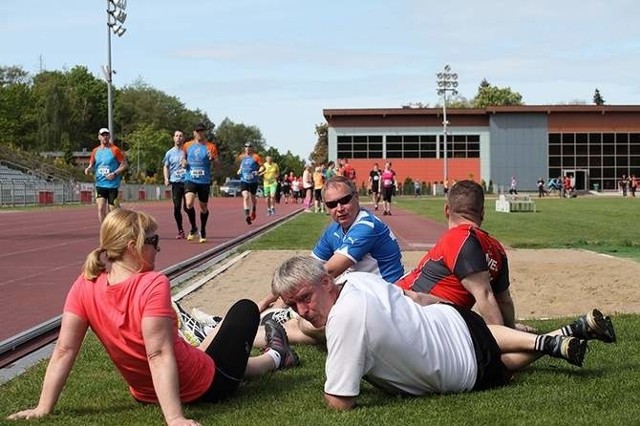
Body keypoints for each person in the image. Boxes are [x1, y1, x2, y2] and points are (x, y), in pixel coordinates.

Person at [7, 209, 299, 425]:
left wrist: (43, 406)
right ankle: (277, 356)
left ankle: (265, 346)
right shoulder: (152, 283)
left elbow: (64, 350)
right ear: (133, 245)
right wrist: (174, 418)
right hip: (207, 385)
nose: (158, 247)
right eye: (153, 240)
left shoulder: (85, 283)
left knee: (205, 347)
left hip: (145, 392)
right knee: (245, 310)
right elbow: (157, 354)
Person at [271, 255, 616, 410]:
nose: (302, 310)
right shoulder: (358, 279)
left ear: (326, 282)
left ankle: (557, 336)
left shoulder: (343, 321)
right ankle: (561, 334)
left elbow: (339, 401)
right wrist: (447, 307)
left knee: (506, 366)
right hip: (450, 318)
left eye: (305, 298)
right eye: (293, 305)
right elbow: (414, 297)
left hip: (457, 368)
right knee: (488, 336)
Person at [396, 180, 517, 328]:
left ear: (447, 210)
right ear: (482, 213)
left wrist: (503, 340)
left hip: (408, 313)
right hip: (427, 314)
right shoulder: (497, 249)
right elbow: (504, 301)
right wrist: (511, 332)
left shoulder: (458, 237)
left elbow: (484, 295)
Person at [183, 122, 219, 243]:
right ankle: (193, 227)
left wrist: (212, 159)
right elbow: (183, 158)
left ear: (204, 132)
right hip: (190, 178)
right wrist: (183, 163)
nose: (199, 133)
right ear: (194, 133)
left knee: (203, 207)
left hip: (204, 181)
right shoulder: (187, 145)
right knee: (188, 204)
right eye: (197, 131)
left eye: (202, 131)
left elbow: (218, 165)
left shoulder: (211, 147)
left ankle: (203, 229)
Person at [84, 127, 127, 223]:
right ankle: (104, 231)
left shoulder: (115, 150)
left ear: (110, 136)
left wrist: (114, 173)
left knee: (113, 211)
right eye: (103, 135)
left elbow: (124, 165)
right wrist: (88, 169)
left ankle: (120, 225)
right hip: (100, 184)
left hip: (112, 185)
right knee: (100, 208)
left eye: (107, 135)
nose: (105, 137)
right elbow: (91, 164)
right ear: (99, 137)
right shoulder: (95, 151)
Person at [163, 130, 188, 239]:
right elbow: (166, 166)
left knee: (188, 207)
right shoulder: (169, 153)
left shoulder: (187, 152)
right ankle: (180, 230)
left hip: (187, 182)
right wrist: (166, 178)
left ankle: (194, 227)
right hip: (176, 182)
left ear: (183, 138)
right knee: (177, 207)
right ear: (174, 138)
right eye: (176, 136)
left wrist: (187, 164)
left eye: (180, 136)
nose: (178, 138)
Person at [237, 142, 262, 224]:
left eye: (249, 146)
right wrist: (240, 170)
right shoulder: (241, 157)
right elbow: (241, 165)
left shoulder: (256, 157)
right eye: (246, 146)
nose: (248, 148)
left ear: (252, 148)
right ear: (244, 148)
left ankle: (254, 210)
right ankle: (247, 216)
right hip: (244, 180)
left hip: (253, 181)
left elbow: (262, 166)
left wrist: (258, 171)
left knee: (253, 198)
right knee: (246, 196)